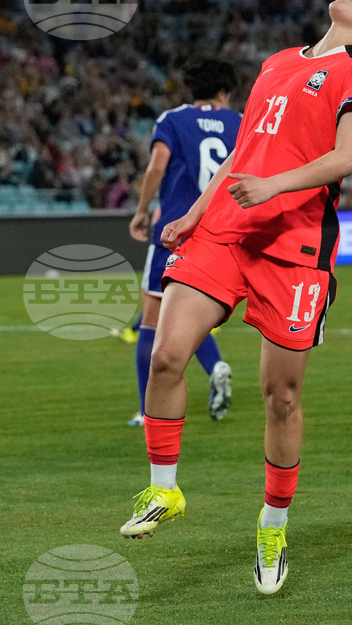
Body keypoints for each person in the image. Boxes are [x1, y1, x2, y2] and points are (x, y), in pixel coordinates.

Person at [117, 0, 352, 596]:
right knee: (165, 355)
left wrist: (274, 186)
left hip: (294, 244)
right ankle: (164, 488)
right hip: (224, 228)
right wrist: (193, 213)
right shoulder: (278, 62)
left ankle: (272, 526)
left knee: (280, 397)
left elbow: (346, 158)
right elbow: (242, 152)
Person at [127, 55, 243, 427]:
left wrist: (142, 209)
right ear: (224, 92)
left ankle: (147, 410)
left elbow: (157, 165)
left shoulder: (173, 120)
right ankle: (216, 364)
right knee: (195, 311)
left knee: (152, 320)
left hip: (176, 229)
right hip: (222, 232)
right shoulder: (241, 122)